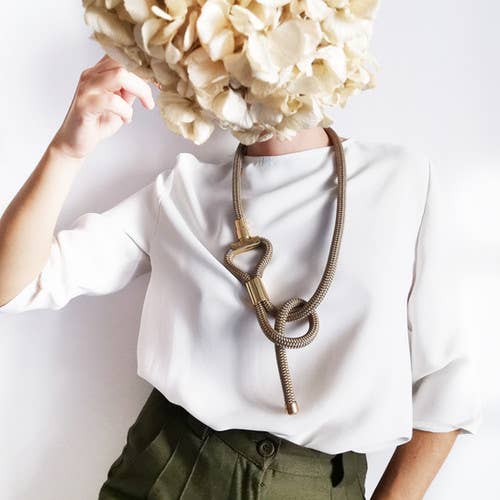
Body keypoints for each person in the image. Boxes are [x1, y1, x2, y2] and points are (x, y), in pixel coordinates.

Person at [0, 54, 481, 499]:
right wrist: (67, 150)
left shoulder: (401, 180)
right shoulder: (181, 193)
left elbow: (447, 381)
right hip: (173, 473)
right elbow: (15, 286)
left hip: (320, 484)